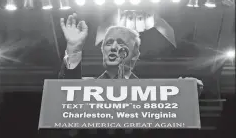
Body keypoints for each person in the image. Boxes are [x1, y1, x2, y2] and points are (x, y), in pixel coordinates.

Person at [57, 13, 204, 136]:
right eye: (108, 43)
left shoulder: (156, 97)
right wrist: (74, 49)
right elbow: (65, 90)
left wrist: (185, 95)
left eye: (121, 43)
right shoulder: (85, 87)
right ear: (103, 52)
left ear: (135, 54)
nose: (114, 47)